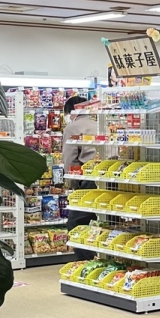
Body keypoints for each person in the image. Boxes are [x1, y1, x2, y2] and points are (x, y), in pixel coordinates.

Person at [62, 95, 97, 260]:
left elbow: (70, 159)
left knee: (76, 223)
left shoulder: (73, 128)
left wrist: (72, 183)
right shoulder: (99, 124)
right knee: (103, 222)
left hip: (89, 181)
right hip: (110, 180)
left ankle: (85, 262)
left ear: (71, 111)